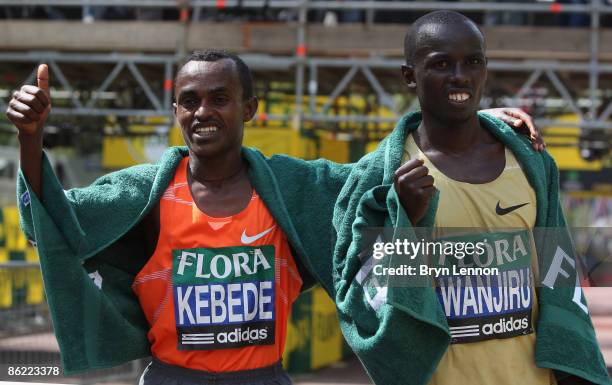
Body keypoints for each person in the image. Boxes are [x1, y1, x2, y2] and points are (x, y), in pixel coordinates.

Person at [8, 49, 542, 383]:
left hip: (264, 378)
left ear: (249, 109)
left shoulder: (293, 186)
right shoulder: (143, 193)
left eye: (220, 97)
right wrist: (31, 140)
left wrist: (463, 120)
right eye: (189, 100)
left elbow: (371, 176)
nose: (202, 111)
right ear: (175, 112)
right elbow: (52, 220)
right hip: (173, 378)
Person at [332, 10, 610, 385]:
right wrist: (407, 225)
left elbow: (559, 286)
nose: (459, 75)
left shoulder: (529, 160)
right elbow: (371, 306)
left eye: (472, 62)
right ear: (409, 76)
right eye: (441, 64)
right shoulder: (384, 177)